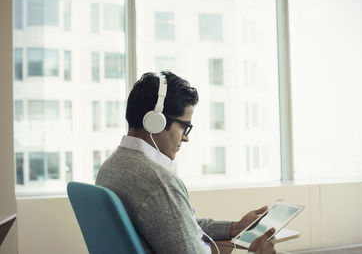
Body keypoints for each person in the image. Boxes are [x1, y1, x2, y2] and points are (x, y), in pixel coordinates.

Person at [95, 71, 276, 254]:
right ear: (156, 122)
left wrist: (234, 228)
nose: (186, 138)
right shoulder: (159, 182)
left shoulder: (110, 167)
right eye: (184, 127)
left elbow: (179, 224)